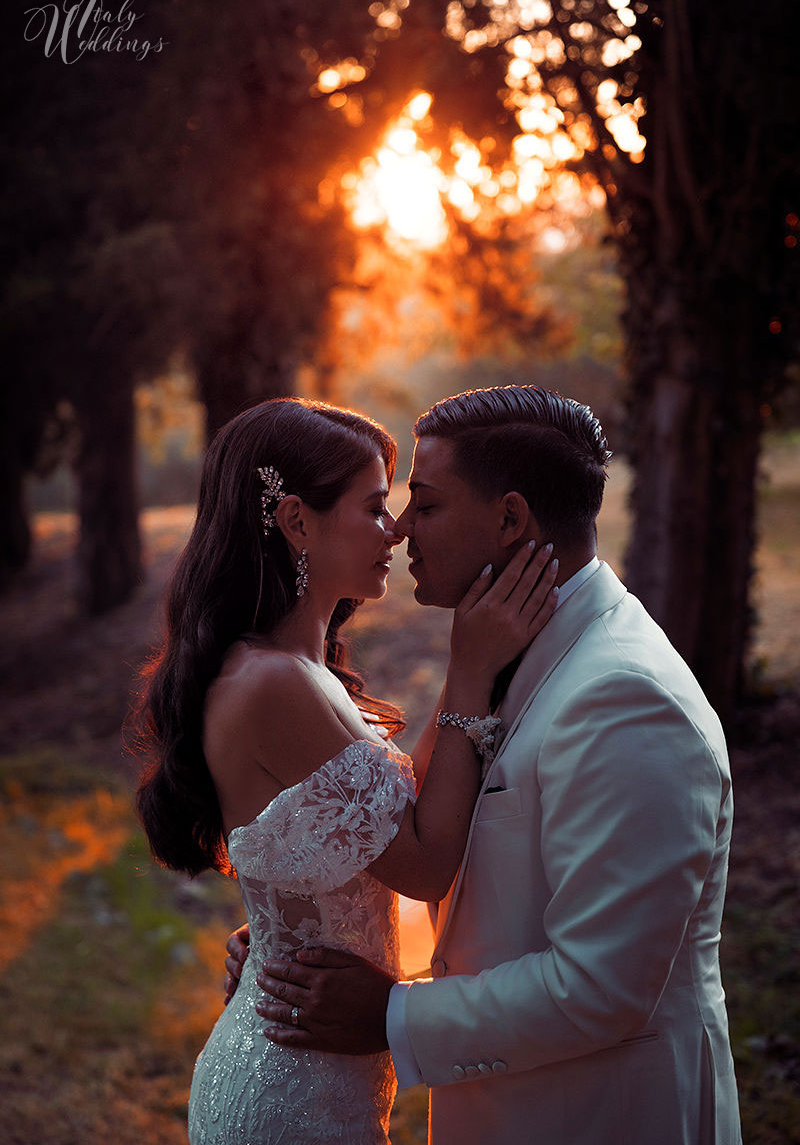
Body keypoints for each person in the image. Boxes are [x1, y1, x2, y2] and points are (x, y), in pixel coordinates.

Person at [227, 385, 742, 1145]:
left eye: (425, 505)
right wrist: (307, 936)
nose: (401, 530)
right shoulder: (508, 651)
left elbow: (601, 986)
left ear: (509, 519)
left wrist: (386, 1014)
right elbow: (500, 896)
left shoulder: (625, 699)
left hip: (602, 1116)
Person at [132, 396, 558, 1145]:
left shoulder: (301, 671)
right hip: (291, 1093)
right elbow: (423, 864)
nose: (394, 529)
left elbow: (397, 806)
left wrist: (272, 936)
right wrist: (470, 666)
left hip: (310, 1068)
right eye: (372, 507)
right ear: (297, 521)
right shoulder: (273, 684)